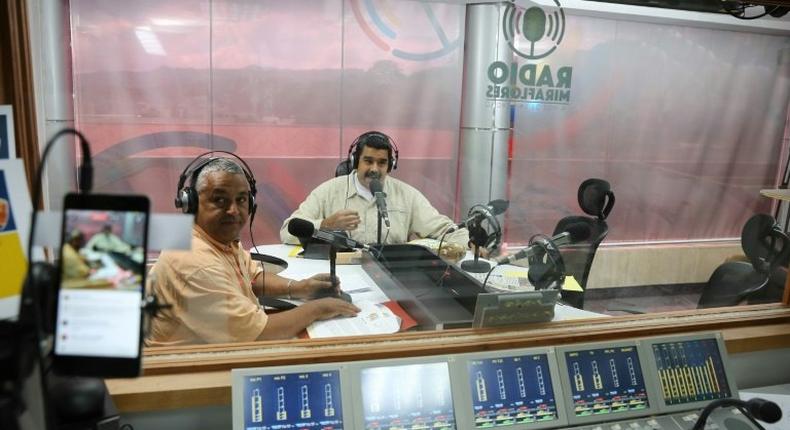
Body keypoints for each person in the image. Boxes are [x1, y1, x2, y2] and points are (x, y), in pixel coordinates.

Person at [148, 157, 359, 346]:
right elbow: (260, 333)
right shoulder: (196, 263)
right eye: (219, 200)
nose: (233, 210)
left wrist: (300, 287)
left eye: (241, 200)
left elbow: (252, 277)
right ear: (191, 204)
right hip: (180, 368)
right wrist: (319, 309)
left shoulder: (215, 237)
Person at [280, 131, 468, 247]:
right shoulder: (328, 192)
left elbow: (443, 229)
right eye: (368, 161)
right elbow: (287, 232)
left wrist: (470, 243)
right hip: (340, 274)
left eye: (382, 162)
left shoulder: (407, 195)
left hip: (391, 280)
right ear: (354, 162)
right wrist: (326, 225)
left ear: (391, 165)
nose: (375, 169)